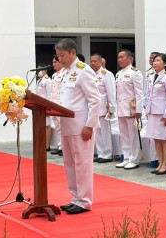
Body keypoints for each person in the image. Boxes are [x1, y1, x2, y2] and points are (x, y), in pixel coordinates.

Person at [56, 38, 100, 215]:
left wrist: (90, 125)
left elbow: (95, 100)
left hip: (81, 126)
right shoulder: (66, 72)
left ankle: (85, 200)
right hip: (66, 124)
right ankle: (75, 197)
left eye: (63, 55)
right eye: (58, 56)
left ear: (73, 52)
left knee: (82, 163)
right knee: (70, 164)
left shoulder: (84, 71)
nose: (60, 60)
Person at [145, 53, 166, 175]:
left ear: (165, 63)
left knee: (164, 138)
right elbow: (148, 95)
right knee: (156, 139)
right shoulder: (151, 76)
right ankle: (160, 163)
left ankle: (165, 164)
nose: (155, 63)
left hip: (162, 113)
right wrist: (147, 111)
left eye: (158, 60)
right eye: (154, 61)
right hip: (153, 112)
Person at [115, 50, 143, 170]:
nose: (119, 59)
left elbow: (139, 93)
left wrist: (139, 110)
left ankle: (134, 159)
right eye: (118, 57)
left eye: (122, 57)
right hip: (121, 109)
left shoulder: (134, 73)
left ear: (129, 59)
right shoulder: (119, 74)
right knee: (124, 135)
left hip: (131, 109)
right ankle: (126, 157)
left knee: (132, 135)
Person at [90, 54, 116, 163]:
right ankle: (100, 153)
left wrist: (111, 108)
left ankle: (108, 154)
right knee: (97, 132)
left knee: (105, 132)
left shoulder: (106, 74)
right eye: (91, 61)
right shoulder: (91, 74)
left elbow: (111, 92)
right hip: (94, 108)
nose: (92, 63)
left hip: (104, 108)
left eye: (95, 61)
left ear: (101, 62)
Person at [35, 63, 52, 151]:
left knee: (47, 125)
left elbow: (49, 94)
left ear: (45, 70)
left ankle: (47, 145)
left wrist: (48, 106)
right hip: (39, 106)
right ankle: (42, 143)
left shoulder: (48, 80)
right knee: (41, 125)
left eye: (40, 70)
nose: (38, 72)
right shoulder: (39, 80)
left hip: (45, 105)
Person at [50, 55, 64, 156]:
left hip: (61, 104)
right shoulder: (54, 75)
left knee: (63, 127)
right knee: (58, 127)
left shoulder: (65, 74)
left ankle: (64, 147)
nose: (53, 64)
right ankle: (60, 146)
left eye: (55, 62)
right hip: (54, 103)